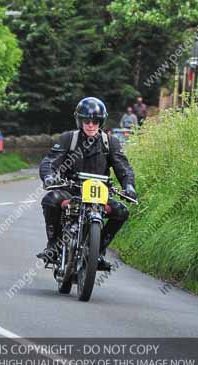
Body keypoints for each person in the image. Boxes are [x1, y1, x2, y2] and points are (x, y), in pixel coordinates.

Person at [37, 97, 137, 271]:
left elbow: (124, 168)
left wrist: (129, 186)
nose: (91, 125)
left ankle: (97, 252)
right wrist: (49, 177)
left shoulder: (110, 142)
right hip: (71, 190)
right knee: (50, 200)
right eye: (86, 121)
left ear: (101, 122)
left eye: (95, 121)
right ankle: (54, 246)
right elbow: (50, 161)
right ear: (80, 121)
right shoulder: (69, 139)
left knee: (121, 212)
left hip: (99, 194)